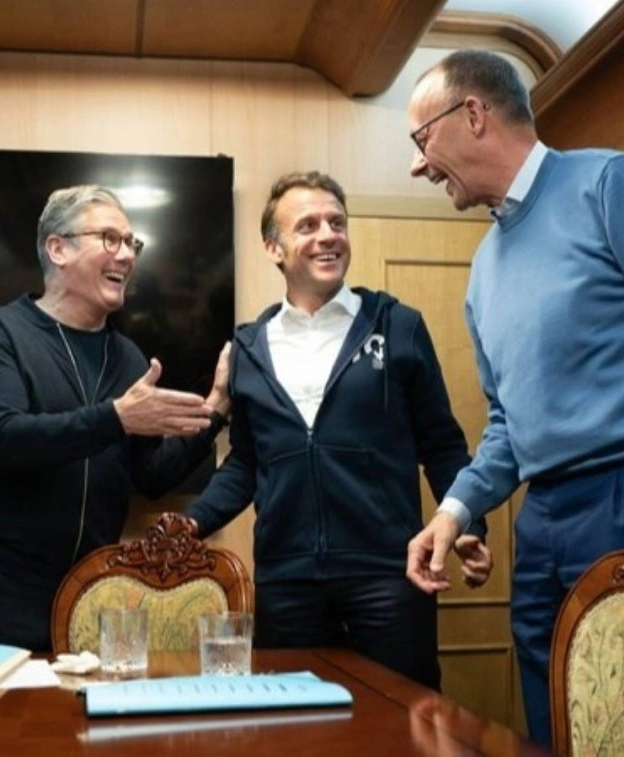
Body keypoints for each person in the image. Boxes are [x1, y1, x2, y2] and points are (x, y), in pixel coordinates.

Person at [402, 50, 624, 745]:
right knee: (553, 728)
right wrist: (454, 511)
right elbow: (509, 426)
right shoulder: (482, 271)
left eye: (422, 140)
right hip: (541, 519)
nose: (418, 166)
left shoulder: (609, 185)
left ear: (473, 114)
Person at [183, 171, 493, 691]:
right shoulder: (249, 348)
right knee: (297, 724)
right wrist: (190, 524)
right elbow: (247, 463)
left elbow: (441, 444)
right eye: (307, 225)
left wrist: (469, 524)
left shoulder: (398, 325)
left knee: (403, 722)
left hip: (389, 578)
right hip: (286, 584)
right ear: (274, 248)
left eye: (337, 223)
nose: (328, 235)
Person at [0, 185, 231, 652]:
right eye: (110, 238)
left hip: (90, 592)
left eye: (131, 242)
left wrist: (215, 409)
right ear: (58, 248)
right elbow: (3, 440)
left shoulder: (128, 356)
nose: (126, 255)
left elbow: (151, 476)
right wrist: (115, 418)